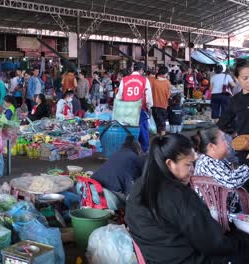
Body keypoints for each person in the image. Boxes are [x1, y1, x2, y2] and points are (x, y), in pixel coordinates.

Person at [125, 134, 249, 264]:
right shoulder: (178, 195)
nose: (192, 170)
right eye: (188, 164)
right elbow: (214, 244)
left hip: (156, 258)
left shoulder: (139, 187)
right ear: (170, 163)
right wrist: (242, 240)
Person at [91, 135, 144, 202]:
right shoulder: (134, 158)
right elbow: (134, 182)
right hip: (108, 193)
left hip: (93, 186)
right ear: (137, 150)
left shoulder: (117, 153)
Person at [217, 59, 249, 165]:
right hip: (244, 148)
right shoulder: (235, 100)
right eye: (245, 78)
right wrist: (234, 134)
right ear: (237, 78)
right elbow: (223, 122)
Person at [116, 62, 153, 152]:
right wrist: (149, 106)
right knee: (143, 130)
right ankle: (144, 150)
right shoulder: (144, 80)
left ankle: (129, 150)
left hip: (126, 110)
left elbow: (119, 96)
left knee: (129, 130)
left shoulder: (124, 80)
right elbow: (148, 96)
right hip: (140, 109)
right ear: (141, 70)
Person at [150, 66, 171, 136]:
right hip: (163, 106)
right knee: (162, 126)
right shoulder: (167, 82)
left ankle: (157, 141)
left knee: (156, 125)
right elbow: (168, 95)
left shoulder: (152, 80)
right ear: (165, 73)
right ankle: (162, 141)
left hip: (154, 105)